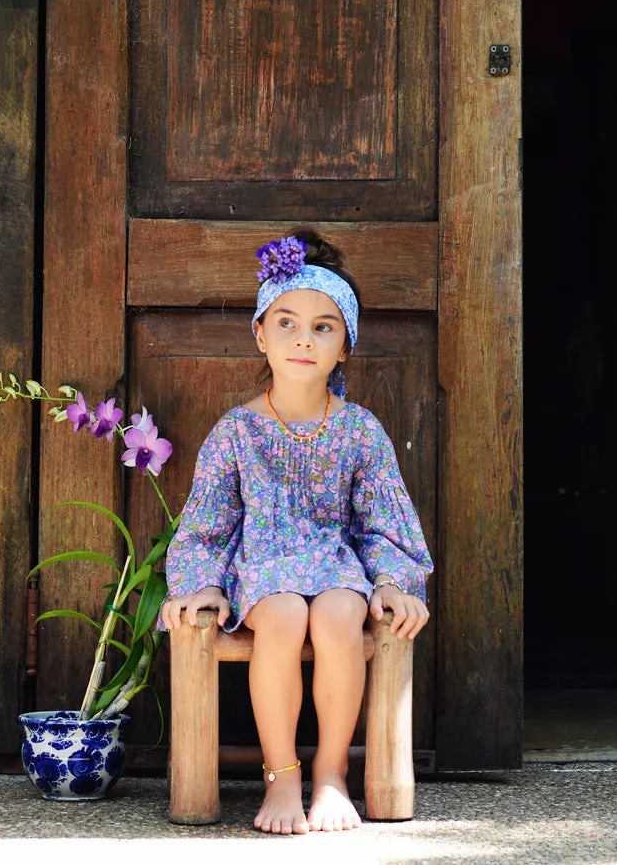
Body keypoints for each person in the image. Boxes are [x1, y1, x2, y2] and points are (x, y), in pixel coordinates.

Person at [159, 228, 434, 834]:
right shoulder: (235, 432)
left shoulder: (361, 431)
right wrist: (200, 584)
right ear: (259, 331)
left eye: (323, 326)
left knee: (339, 615)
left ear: (346, 346)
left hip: (336, 565)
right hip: (262, 570)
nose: (303, 339)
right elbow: (206, 525)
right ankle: (282, 777)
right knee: (283, 615)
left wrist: (391, 579)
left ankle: (331, 774)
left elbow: (384, 522)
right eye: (286, 322)